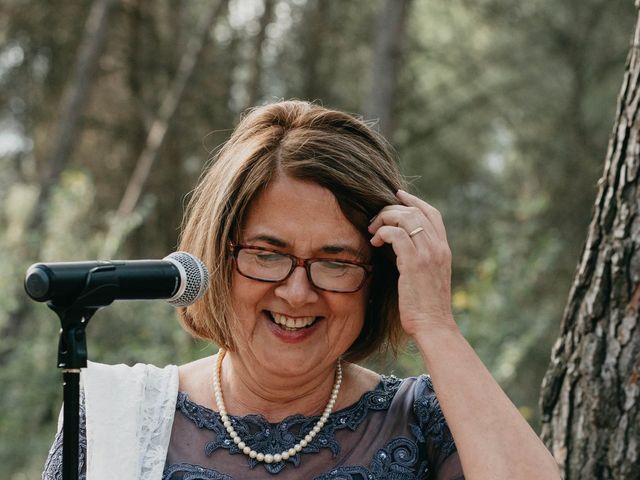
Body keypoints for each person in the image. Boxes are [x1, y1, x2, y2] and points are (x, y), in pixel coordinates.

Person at [43, 100, 560, 479]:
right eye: (268, 255)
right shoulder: (115, 414)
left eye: (335, 262)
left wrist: (436, 324)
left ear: (379, 277)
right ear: (218, 258)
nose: (296, 292)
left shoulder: (424, 420)